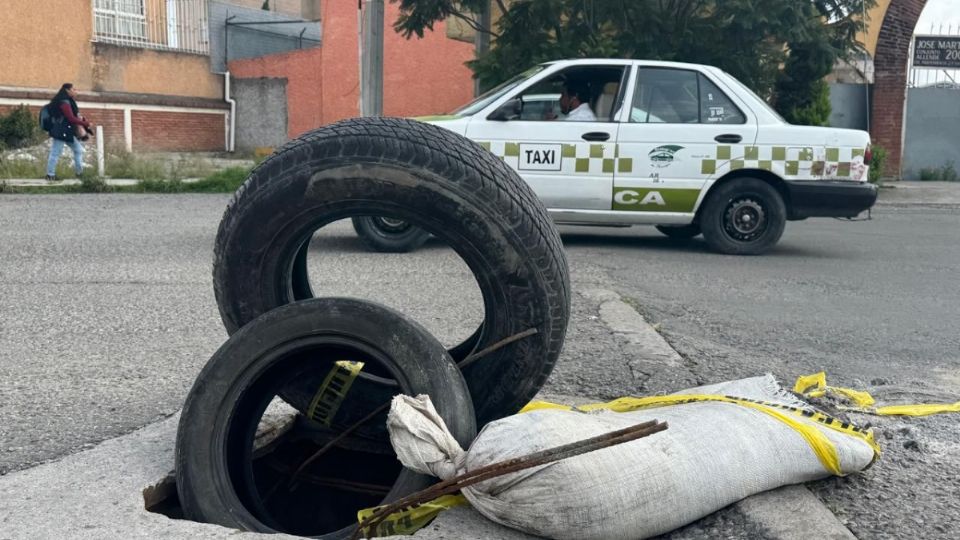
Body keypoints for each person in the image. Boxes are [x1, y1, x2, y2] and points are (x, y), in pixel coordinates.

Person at [45, 83, 93, 181]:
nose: (76, 91)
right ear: (67, 90)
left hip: (67, 131)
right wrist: (85, 123)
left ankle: (79, 173)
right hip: (61, 131)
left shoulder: (68, 101)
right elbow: (71, 118)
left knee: (78, 150)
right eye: (74, 89)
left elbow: (73, 117)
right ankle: (50, 175)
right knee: (55, 152)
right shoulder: (64, 102)